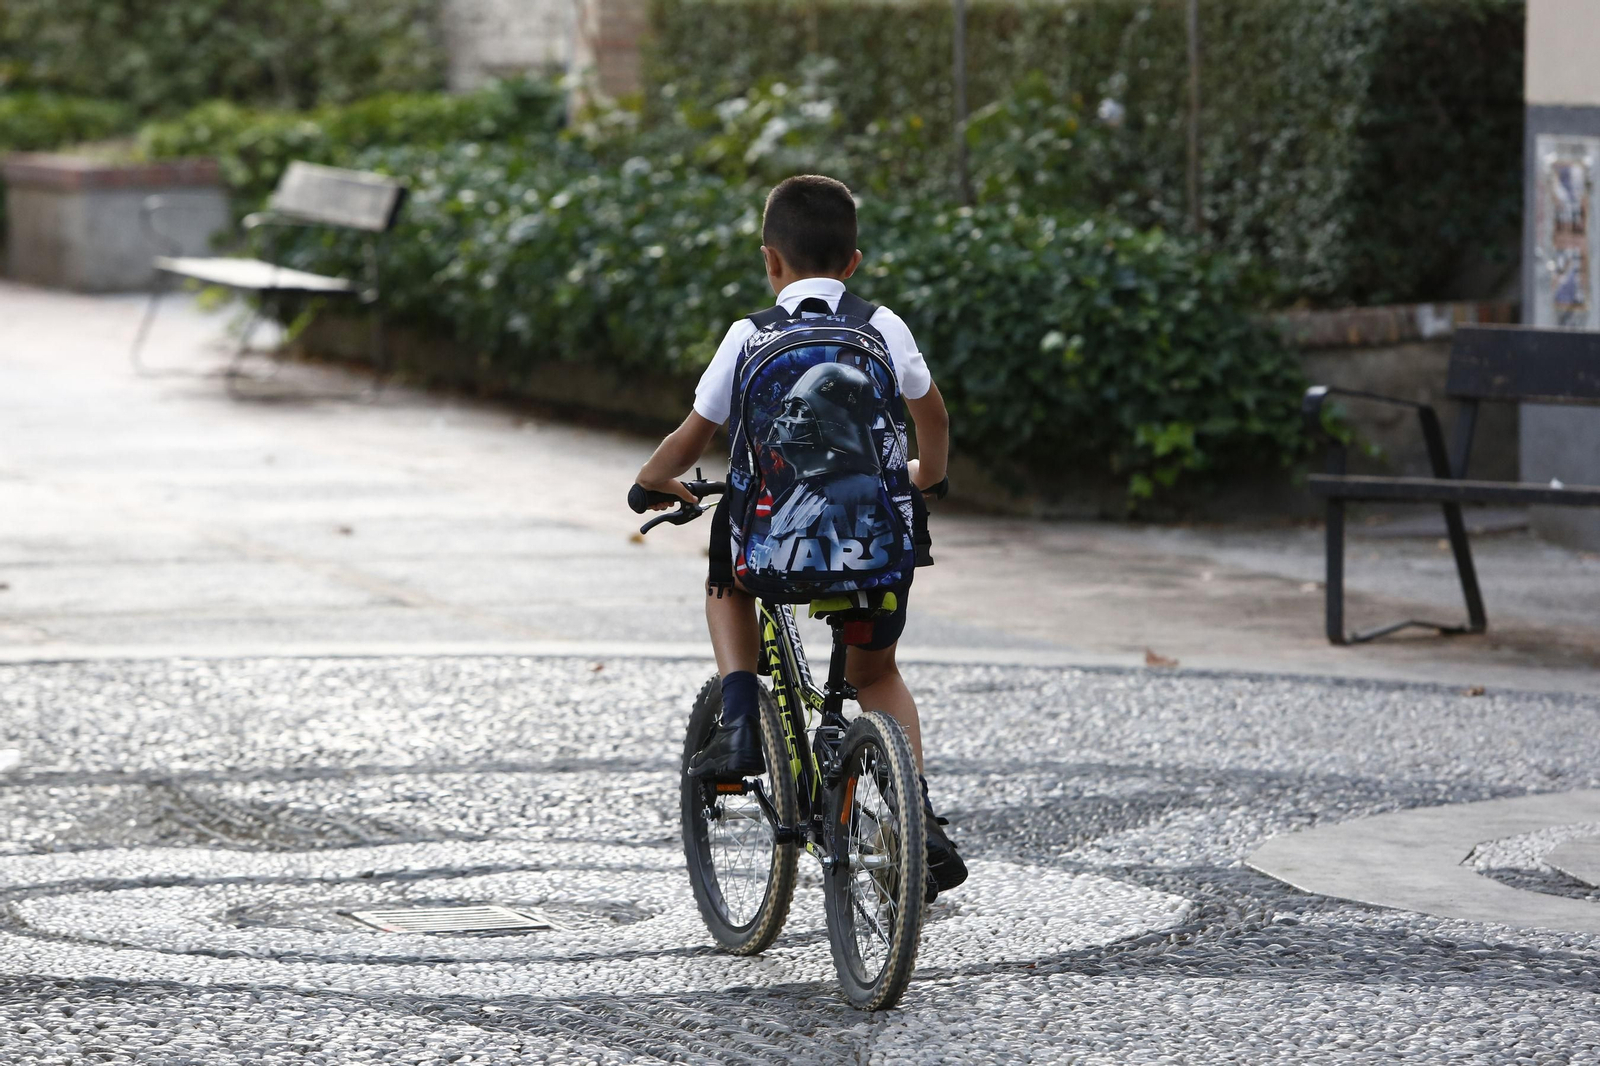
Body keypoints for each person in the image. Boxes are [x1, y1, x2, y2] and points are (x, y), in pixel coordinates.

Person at [632, 174, 967, 897]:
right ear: (853, 262)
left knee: (725, 562)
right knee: (877, 675)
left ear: (770, 262)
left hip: (770, 561)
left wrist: (653, 479)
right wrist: (925, 477)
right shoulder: (883, 326)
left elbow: (694, 436)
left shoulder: (749, 335)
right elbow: (931, 416)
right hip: (875, 555)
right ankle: (920, 815)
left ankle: (741, 711)